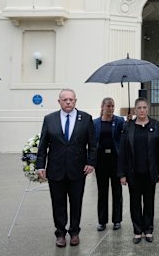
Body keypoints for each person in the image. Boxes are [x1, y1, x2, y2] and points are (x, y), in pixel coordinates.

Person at [36, 89, 97, 248]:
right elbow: (43, 144)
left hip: (78, 170)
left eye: (71, 99)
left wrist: (91, 162)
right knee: (58, 202)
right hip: (56, 170)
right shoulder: (50, 119)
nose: (68, 102)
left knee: (76, 202)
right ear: (59, 102)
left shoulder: (86, 118)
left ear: (75, 101)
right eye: (65, 100)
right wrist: (40, 165)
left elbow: (93, 144)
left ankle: (75, 231)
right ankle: (60, 233)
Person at [119, 98, 159, 244]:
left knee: (149, 202)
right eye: (139, 108)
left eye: (145, 107)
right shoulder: (128, 127)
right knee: (135, 202)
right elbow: (123, 152)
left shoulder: (155, 125)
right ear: (135, 110)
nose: (142, 110)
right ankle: (138, 231)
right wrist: (122, 174)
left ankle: (148, 230)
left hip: (150, 172)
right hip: (133, 172)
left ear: (148, 109)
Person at [93, 97, 125, 232]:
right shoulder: (95, 123)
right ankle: (102, 221)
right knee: (102, 191)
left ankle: (117, 220)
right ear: (102, 107)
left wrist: (128, 122)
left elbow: (126, 134)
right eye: (108, 106)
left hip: (115, 161)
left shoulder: (119, 121)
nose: (111, 109)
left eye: (113, 106)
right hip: (101, 161)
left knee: (117, 191)